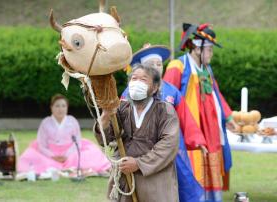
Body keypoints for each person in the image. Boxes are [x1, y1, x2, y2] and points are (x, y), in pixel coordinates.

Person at [163, 23, 238, 202]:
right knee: (192, 169)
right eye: (209, 50)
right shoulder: (178, 66)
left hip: (210, 131)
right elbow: (166, 97)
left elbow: (216, 95)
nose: (211, 54)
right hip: (189, 131)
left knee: (210, 171)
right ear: (197, 48)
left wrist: (228, 117)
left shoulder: (207, 70)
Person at [121, 44, 204, 201]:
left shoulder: (172, 91)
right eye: (151, 64)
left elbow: (185, 117)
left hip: (171, 146)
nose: (156, 67)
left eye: (159, 64)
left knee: (181, 181)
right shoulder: (130, 92)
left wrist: (196, 139)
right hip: (141, 149)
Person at [95, 64, 179, 202]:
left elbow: (168, 145)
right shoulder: (121, 108)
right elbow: (105, 138)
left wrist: (138, 163)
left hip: (154, 181)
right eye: (134, 79)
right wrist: (104, 116)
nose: (137, 83)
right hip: (124, 179)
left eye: (143, 80)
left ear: (155, 87)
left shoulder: (165, 111)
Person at [18, 94, 110, 178]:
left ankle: (67, 165)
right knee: (30, 156)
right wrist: (53, 156)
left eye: (63, 106)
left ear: (67, 107)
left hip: (70, 153)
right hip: (49, 153)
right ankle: (56, 165)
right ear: (51, 107)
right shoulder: (46, 123)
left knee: (89, 154)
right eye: (57, 106)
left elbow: (77, 141)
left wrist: (67, 155)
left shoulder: (72, 121)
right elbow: (41, 144)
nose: (60, 109)